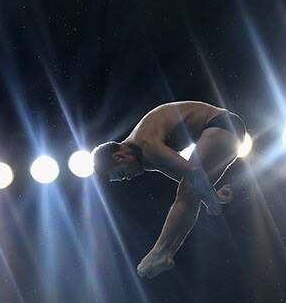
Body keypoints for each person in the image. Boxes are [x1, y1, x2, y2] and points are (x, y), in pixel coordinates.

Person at [92, 101, 246, 279]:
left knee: (188, 190)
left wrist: (210, 198)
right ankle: (166, 254)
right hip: (227, 130)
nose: (129, 177)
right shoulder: (145, 159)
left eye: (123, 174)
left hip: (221, 123)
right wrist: (212, 196)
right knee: (190, 192)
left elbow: (192, 172)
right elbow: (183, 177)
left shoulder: (146, 143)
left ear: (120, 156)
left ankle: (158, 252)